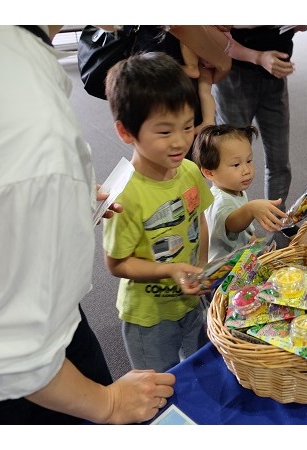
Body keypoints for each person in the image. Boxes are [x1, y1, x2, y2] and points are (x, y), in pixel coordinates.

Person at [0, 26, 175, 425]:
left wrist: (57, 205)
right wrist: (105, 404)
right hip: (24, 371)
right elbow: (14, 356)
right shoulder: (36, 129)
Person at [102, 52, 214, 374]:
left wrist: (202, 265)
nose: (180, 141)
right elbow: (117, 263)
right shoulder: (125, 195)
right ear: (126, 133)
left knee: (201, 370)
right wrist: (171, 270)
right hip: (148, 317)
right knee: (158, 387)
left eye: (188, 126)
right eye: (164, 132)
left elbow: (200, 219)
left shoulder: (190, 171)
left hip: (191, 300)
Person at [212, 25, 307, 211]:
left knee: (279, 161)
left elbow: (302, 26)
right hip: (234, 73)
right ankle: (230, 224)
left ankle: (277, 221)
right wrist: (258, 57)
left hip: (275, 76)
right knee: (230, 161)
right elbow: (213, 34)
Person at [192, 124, 288, 262]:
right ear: (209, 172)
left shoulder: (236, 191)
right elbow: (233, 223)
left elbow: (245, 228)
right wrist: (251, 209)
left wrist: (255, 243)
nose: (246, 170)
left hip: (241, 262)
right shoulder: (219, 202)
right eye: (236, 164)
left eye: (249, 161)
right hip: (224, 274)